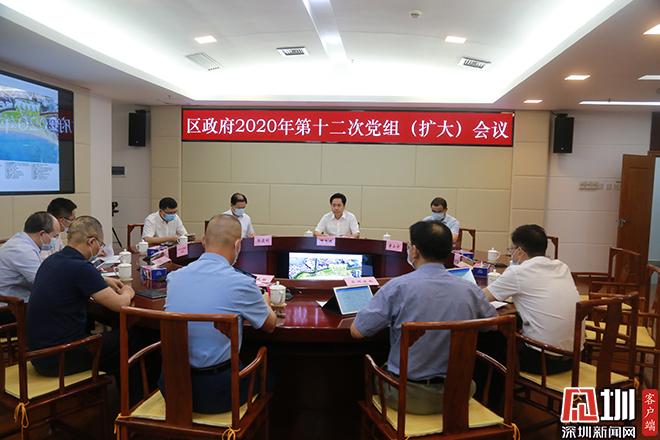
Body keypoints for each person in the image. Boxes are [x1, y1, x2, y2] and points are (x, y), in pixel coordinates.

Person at [350, 221, 496, 414]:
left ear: (415, 251)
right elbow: (492, 325)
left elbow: (357, 331)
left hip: (407, 397)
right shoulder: (471, 290)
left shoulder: (397, 287)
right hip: (459, 393)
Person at [163, 214, 277, 413]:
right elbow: (270, 325)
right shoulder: (241, 282)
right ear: (238, 245)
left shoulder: (174, 278)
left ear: (203, 241)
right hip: (220, 394)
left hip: (172, 388)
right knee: (271, 375)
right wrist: (265, 302)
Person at [27, 216, 135, 378]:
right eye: (100, 244)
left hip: (39, 354)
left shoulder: (52, 260)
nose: (99, 249)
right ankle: (130, 393)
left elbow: (71, 279)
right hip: (62, 357)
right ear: (92, 241)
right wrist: (128, 290)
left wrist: (102, 280)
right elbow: (120, 305)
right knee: (132, 338)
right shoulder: (81, 268)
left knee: (113, 339)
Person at [482, 224, 581, 374]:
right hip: (573, 358)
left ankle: (494, 388)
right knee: (515, 323)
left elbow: (479, 298)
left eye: (511, 250)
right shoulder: (562, 267)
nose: (511, 254)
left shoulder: (518, 272)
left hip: (542, 361)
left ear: (519, 251)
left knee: (488, 337)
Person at [0, 211, 60, 302]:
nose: (56, 240)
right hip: (12, 306)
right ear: (42, 234)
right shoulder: (22, 250)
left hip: (21, 299)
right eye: (55, 236)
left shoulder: (23, 241)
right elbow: (45, 283)